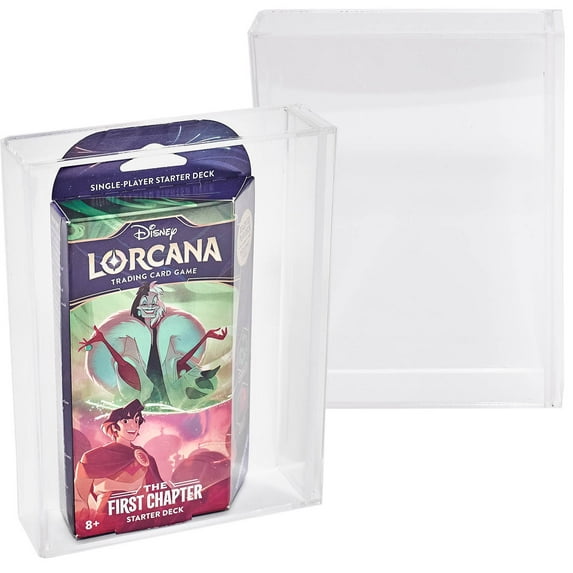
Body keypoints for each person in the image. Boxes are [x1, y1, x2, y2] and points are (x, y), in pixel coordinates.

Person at [74, 400, 163, 521]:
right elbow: (79, 497)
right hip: (105, 519)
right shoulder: (93, 457)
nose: (133, 426)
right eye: (126, 421)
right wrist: (85, 523)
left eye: (137, 421)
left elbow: (154, 491)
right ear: (114, 426)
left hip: (135, 518)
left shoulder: (143, 456)